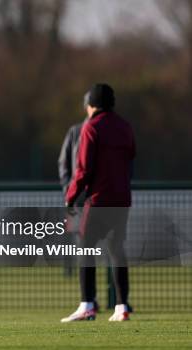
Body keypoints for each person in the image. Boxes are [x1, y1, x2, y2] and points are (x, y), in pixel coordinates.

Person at [61, 83, 135, 323]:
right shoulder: (125, 127)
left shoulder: (91, 128)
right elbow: (131, 157)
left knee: (85, 247)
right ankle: (122, 307)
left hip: (98, 199)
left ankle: (87, 304)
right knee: (116, 250)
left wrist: (71, 197)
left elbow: (83, 169)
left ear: (91, 105)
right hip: (122, 198)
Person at [57, 92, 90, 278]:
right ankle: (86, 295)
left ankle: (114, 297)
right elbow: (63, 163)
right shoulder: (76, 131)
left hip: (98, 199)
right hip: (78, 199)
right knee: (81, 242)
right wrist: (69, 190)